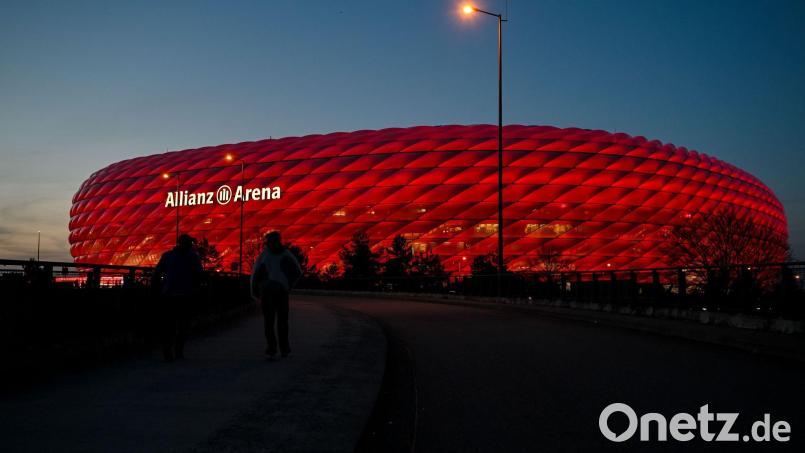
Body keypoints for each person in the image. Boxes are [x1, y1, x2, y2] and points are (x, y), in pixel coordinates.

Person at [250, 231, 302, 359]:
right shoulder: (285, 255)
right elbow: (297, 272)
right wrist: (288, 285)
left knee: (271, 322)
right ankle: (282, 349)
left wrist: (255, 290)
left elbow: (255, 274)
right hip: (279, 292)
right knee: (280, 322)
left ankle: (273, 349)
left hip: (269, 292)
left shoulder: (265, 256)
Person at [154, 234, 203, 361]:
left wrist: (158, 288)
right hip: (186, 295)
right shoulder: (193, 257)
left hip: (169, 295)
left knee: (169, 324)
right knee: (183, 325)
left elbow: (157, 272)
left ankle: (168, 350)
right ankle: (178, 351)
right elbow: (199, 275)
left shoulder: (168, 256)